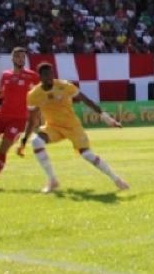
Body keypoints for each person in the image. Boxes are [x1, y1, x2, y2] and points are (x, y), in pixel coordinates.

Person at [16, 63, 129, 193]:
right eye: (45, 75)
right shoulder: (34, 94)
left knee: (87, 155)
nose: (49, 77)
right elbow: (32, 119)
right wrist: (23, 142)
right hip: (53, 127)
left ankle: (116, 179)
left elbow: (86, 101)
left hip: (72, 126)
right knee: (36, 141)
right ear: (40, 77)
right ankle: (52, 180)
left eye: (51, 74)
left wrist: (107, 119)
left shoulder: (64, 86)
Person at [0, 47, 40, 191]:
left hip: (18, 119)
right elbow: (0, 92)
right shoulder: (5, 75)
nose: (20, 59)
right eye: (17, 56)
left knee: (2, 150)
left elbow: (40, 93)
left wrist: (38, 112)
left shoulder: (32, 76)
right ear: (12, 59)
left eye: (23, 57)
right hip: (1, 116)